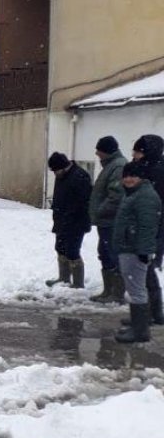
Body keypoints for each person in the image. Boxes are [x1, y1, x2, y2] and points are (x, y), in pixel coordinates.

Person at [112, 161, 162, 342]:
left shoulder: (145, 196)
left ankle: (140, 331)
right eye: (126, 176)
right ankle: (137, 324)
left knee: (137, 289)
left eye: (133, 176)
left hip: (135, 250)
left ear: (141, 177)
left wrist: (144, 251)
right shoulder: (134, 193)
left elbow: (148, 227)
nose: (128, 179)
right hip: (129, 247)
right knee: (134, 288)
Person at [88, 135, 126, 302]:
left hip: (111, 221)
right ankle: (108, 291)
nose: (96, 153)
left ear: (107, 151)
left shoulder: (117, 167)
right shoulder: (111, 165)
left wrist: (100, 211)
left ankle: (115, 293)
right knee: (104, 253)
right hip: (106, 221)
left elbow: (116, 196)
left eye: (99, 150)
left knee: (111, 254)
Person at [131, 134, 164, 326]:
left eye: (137, 151)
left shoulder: (157, 172)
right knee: (141, 271)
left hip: (151, 229)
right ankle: (147, 313)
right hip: (144, 227)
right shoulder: (145, 168)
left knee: (145, 270)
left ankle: (154, 313)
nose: (134, 155)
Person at [46, 152, 92, 288]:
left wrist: (71, 216)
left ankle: (78, 283)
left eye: (56, 170)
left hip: (76, 222)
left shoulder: (79, 176)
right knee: (60, 247)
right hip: (61, 219)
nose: (55, 173)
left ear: (63, 166)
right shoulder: (61, 175)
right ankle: (64, 278)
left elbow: (83, 202)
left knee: (72, 251)